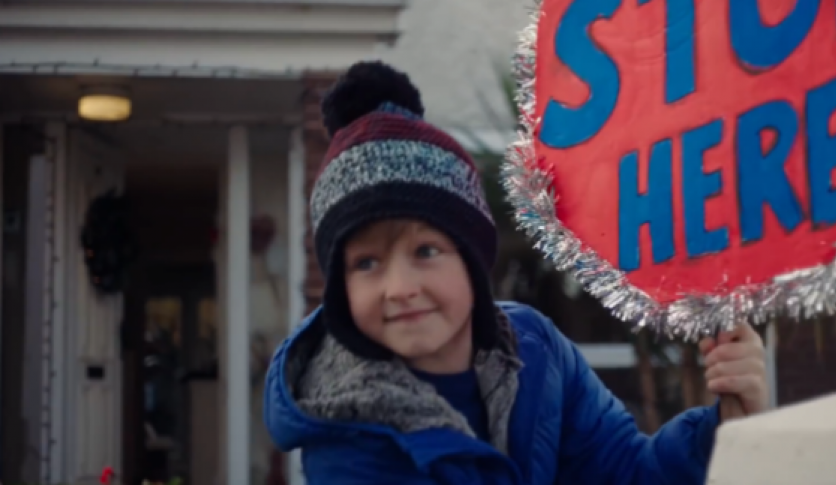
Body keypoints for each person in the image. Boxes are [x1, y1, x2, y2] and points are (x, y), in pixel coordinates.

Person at [263, 61, 769, 485]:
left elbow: (627, 473)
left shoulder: (537, 350)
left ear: (472, 258)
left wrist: (723, 428)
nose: (399, 288)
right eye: (365, 263)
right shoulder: (346, 434)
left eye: (425, 250)